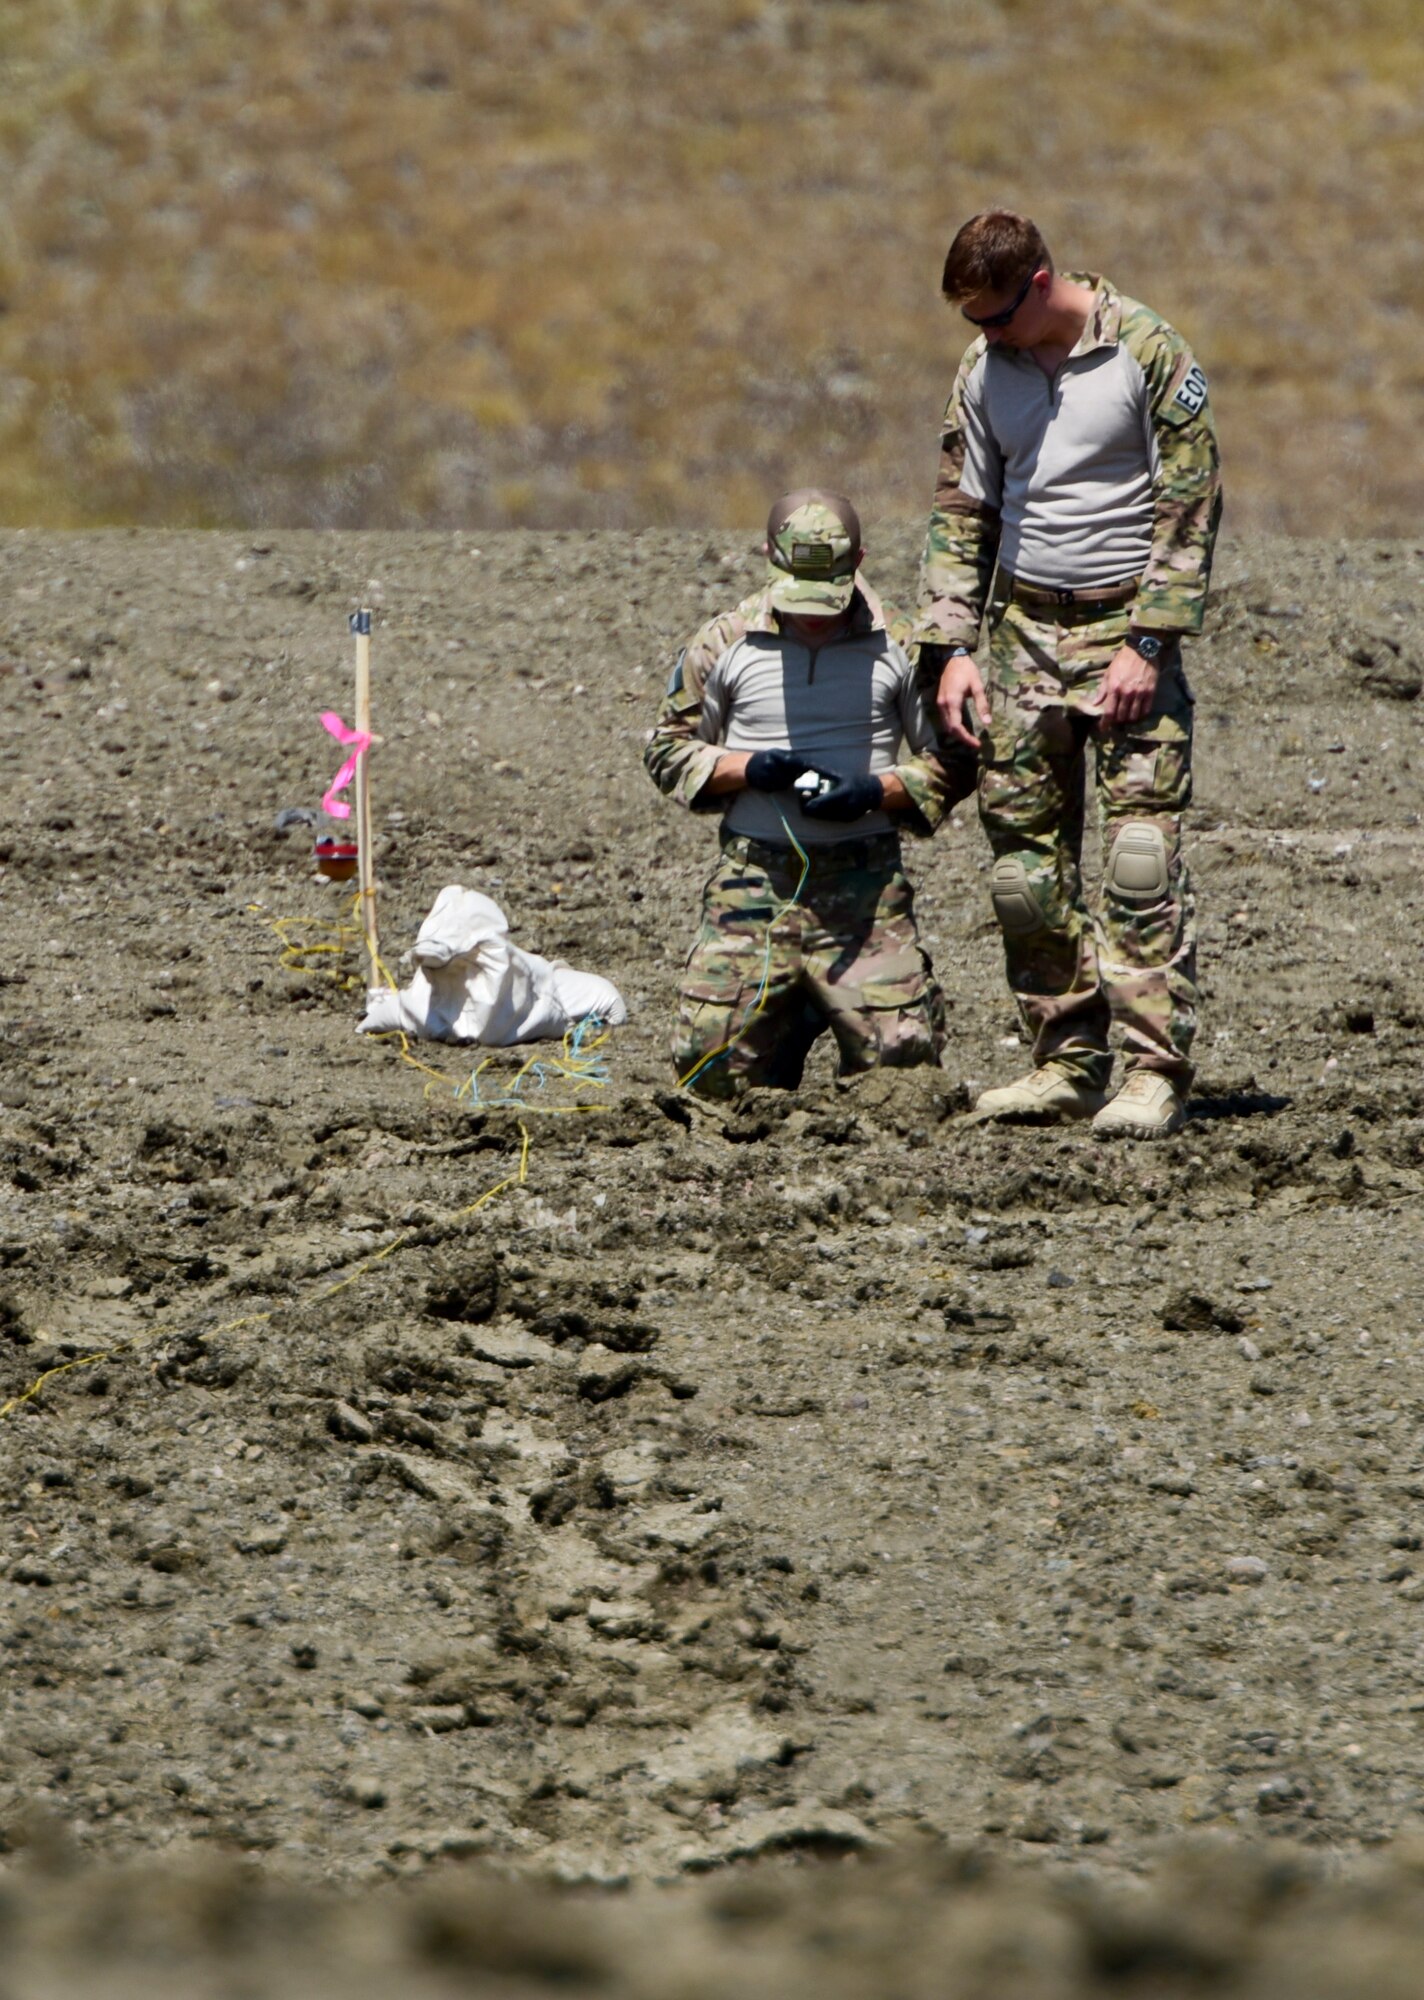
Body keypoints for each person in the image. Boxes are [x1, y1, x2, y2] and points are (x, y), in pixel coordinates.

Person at [915, 210, 1221, 1139]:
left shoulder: (1148, 352)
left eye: (995, 315)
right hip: (1022, 639)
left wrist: (1150, 645)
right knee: (1025, 870)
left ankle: (1151, 1071)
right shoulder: (983, 371)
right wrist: (952, 648)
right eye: (972, 320)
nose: (985, 334)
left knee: (1138, 865)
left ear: (1040, 283)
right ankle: (1067, 1061)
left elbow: (1190, 503)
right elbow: (962, 511)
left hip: (1126, 632)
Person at [645, 489, 960, 1099]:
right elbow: (666, 748)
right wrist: (747, 769)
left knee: (903, 1076)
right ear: (769, 558)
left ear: (860, 560)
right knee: (710, 1074)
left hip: (865, 892)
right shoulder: (724, 642)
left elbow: (955, 759)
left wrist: (876, 790)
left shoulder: (903, 642)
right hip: (753, 886)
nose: (814, 616)